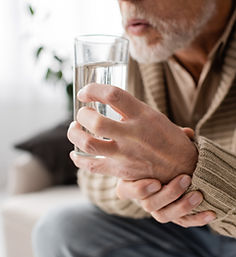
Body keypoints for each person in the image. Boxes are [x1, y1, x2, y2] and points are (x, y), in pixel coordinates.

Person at [33, 0, 236, 256]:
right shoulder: (135, 48)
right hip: (179, 233)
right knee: (62, 228)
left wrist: (187, 167)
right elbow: (93, 173)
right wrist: (144, 187)